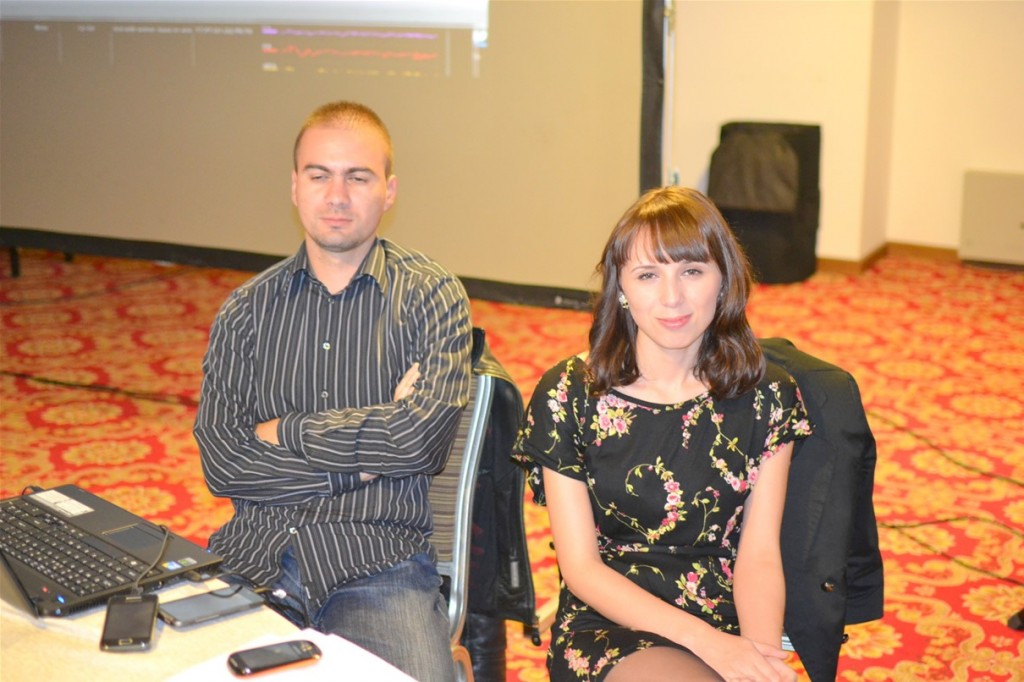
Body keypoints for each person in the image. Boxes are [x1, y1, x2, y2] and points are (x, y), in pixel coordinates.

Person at [194, 100, 471, 682]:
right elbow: (224, 463)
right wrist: (367, 460)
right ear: (295, 186)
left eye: (358, 177)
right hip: (256, 557)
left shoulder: (432, 296)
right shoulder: (245, 312)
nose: (337, 196)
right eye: (319, 175)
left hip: (380, 567)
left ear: (389, 191)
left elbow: (419, 444)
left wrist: (286, 431)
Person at [512, 186, 812, 681]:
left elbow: (758, 557)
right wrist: (713, 647)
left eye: (691, 271)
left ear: (723, 280)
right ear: (621, 289)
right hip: (612, 619)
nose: (672, 298)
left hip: (725, 613)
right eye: (648, 275)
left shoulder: (767, 396)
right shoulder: (569, 393)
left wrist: (759, 660)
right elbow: (581, 568)